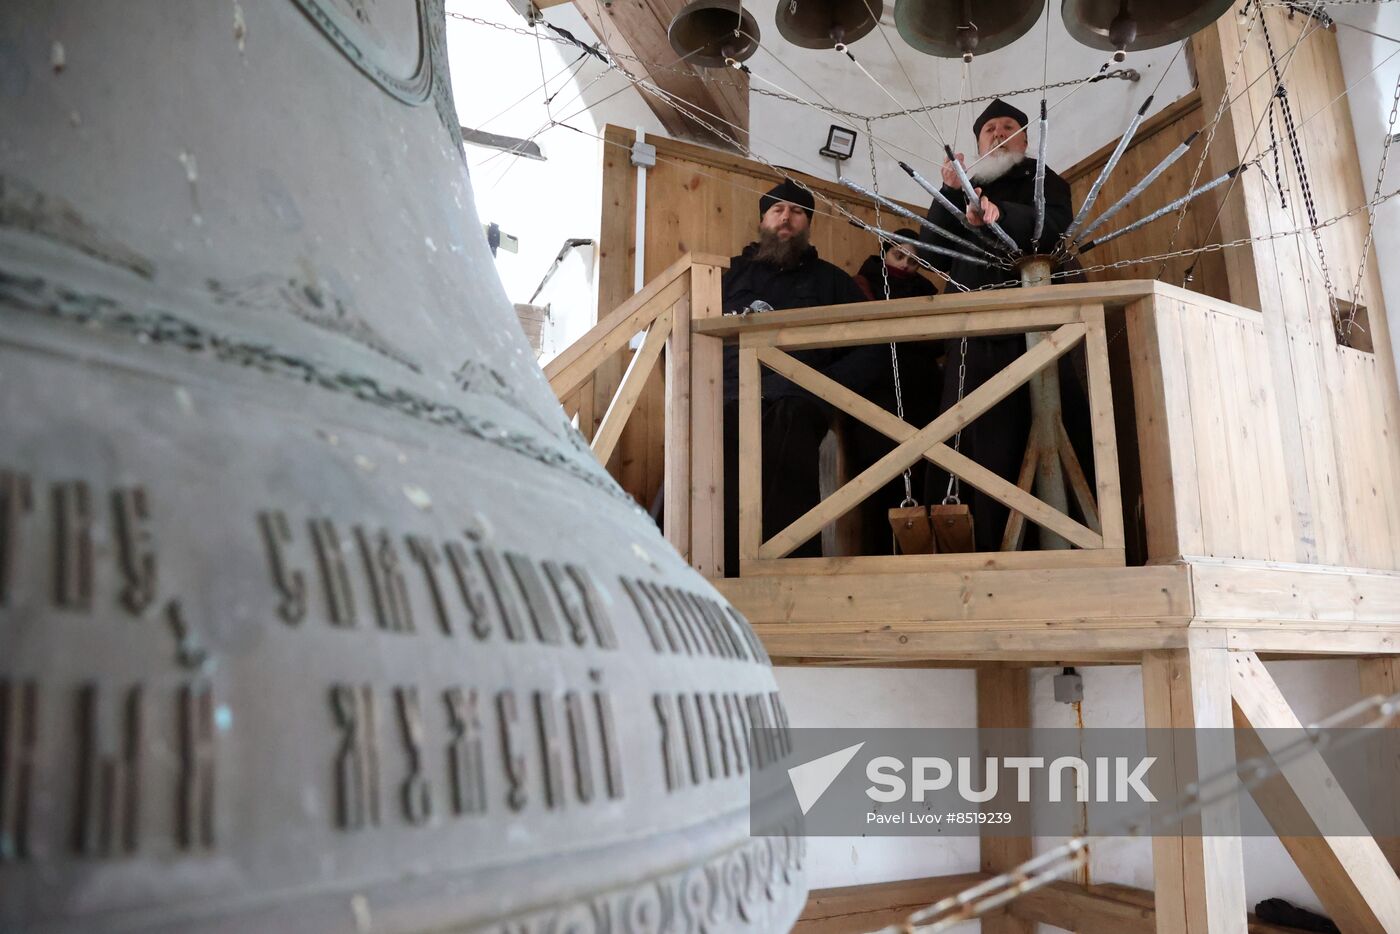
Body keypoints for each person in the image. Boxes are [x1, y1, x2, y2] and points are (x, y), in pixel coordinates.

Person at [921, 99, 1084, 551]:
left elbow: (1053, 226)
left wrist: (999, 214)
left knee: (1046, 423)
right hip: (975, 332)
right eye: (989, 128)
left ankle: (1056, 542)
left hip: (1040, 325)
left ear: (1025, 138)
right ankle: (981, 547)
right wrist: (951, 192)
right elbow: (931, 254)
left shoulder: (1045, 179)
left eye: (1008, 126)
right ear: (978, 144)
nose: (998, 133)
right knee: (973, 437)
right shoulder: (962, 185)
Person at [721, 178, 871, 573]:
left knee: (791, 425)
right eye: (777, 210)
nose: (786, 217)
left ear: (808, 223)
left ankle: (783, 570)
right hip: (727, 397)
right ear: (763, 219)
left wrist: (824, 388)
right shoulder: (724, 276)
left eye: (797, 211)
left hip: (798, 401)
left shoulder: (833, 282)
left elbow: (872, 346)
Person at [848, 232, 942, 554]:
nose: (905, 265)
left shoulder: (927, 291)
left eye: (914, 261)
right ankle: (879, 552)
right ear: (885, 254)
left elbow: (938, 340)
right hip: (878, 390)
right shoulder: (862, 284)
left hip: (923, 393)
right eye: (899, 257)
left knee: (924, 471)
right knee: (881, 473)